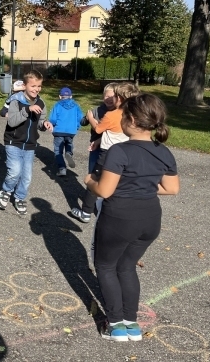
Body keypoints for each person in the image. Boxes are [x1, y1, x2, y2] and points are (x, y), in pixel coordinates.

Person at [84, 93, 179, 342]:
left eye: (124, 115)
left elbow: (105, 190)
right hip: (150, 219)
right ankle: (131, 324)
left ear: (132, 120)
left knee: (106, 266)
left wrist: (89, 181)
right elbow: (171, 188)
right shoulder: (163, 151)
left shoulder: (119, 150)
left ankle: (115, 324)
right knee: (126, 266)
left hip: (120, 218)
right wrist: (141, 186)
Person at [70, 82, 140, 223]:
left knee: (94, 179)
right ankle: (110, 211)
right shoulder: (133, 116)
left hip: (107, 153)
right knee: (116, 182)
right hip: (125, 153)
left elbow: (98, 129)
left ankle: (86, 213)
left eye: (114, 96)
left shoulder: (111, 115)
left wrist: (90, 118)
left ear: (119, 98)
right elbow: (116, 133)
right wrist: (98, 140)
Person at [0, 70, 53, 215]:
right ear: (25, 85)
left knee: (26, 176)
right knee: (14, 171)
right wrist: (27, 110)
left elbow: (40, 122)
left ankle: (20, 197)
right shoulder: (16, 101)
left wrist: (45, 124)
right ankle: (6, 191)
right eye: (33, 86)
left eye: (39, 86)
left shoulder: (41, 103)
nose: (36, 89)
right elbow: (12, 121)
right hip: (13, 141)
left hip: (30, 144)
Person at [81, 83, 118, 175]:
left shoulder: (117, 112)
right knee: (93, 171)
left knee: (109, 172)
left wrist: (92, 119)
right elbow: (82, 122)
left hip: (111, 146)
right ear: (103, 97)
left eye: (112, 97)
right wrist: (87, 118)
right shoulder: (96, 110)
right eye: (107, 96)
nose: (109, 99)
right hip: (95, 146)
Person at [48, 86, 83, 176]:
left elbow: (53, 119)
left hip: (59, 131)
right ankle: (69, 153)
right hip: (71, 131)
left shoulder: (57, 105)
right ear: (71, 96)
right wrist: (77, 127)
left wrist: (52, 125)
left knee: (58, 151)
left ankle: (62, 169)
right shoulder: (76, 106)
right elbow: (80, 118)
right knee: (69, 143)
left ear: (60, 96)